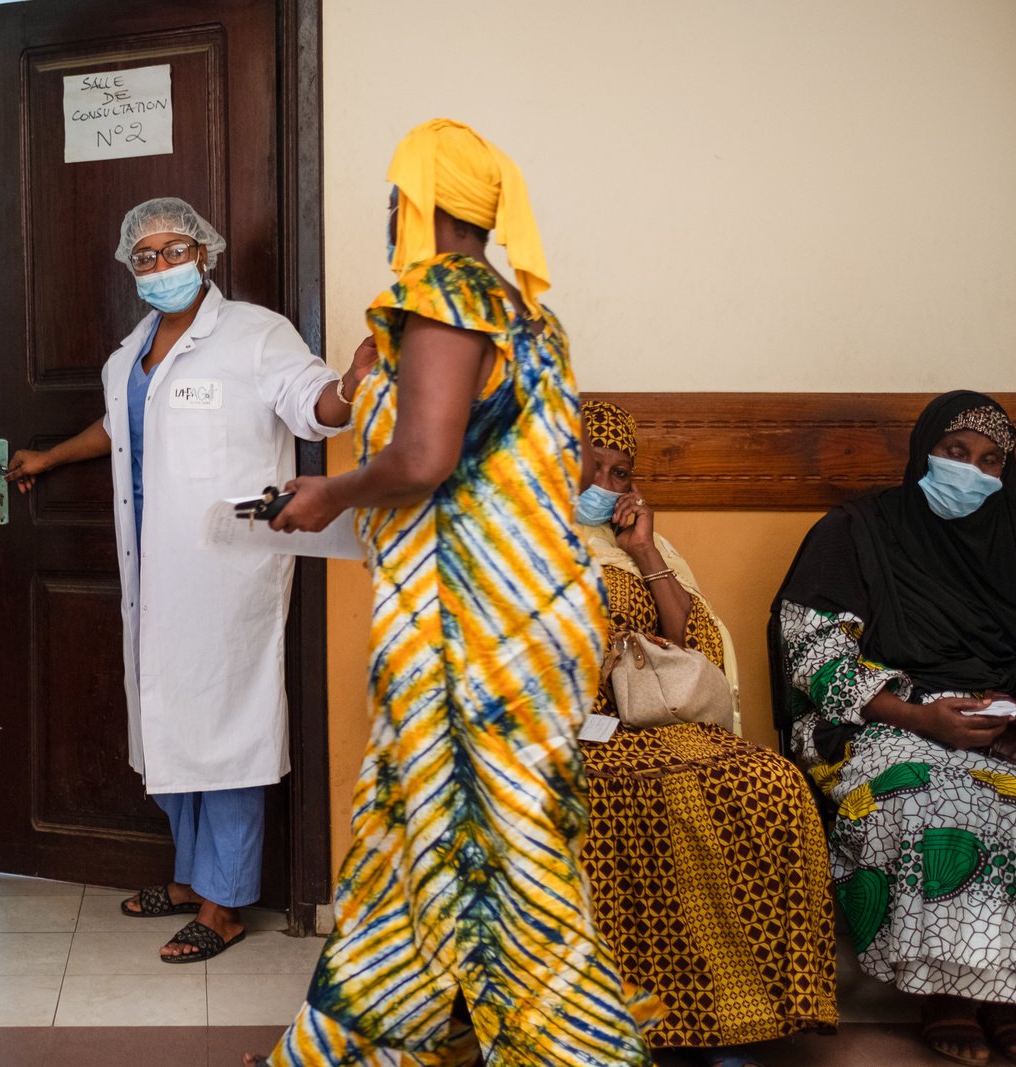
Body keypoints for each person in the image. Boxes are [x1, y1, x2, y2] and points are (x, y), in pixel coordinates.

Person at [249, 120, 651, 1066]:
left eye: (395, 197)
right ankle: (346, 1046)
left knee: (503, 859)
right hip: (520, 613)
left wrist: (326, 492)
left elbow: (423, 458)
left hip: (473, 629)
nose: (388, 214)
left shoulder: (440, 294)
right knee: (404, 828)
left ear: (420, 205)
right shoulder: (526, 314)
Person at [6, 198, 374, 962]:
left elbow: (313, 406)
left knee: (230, 722)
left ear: (204, 252)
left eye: (175, 249)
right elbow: (118, 426)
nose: (160, 265)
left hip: (226, 569)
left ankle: (225, 901)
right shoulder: (129, 352)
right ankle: (183, 875)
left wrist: (353, 381)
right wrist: (48, 457)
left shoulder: (254, 334)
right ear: (130, 268)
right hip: (154, 566)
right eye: (145, 255)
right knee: (166, 715)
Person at [773, 390, 1016, 1067]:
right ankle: (945, 993)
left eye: (990, 462)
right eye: (956, 451)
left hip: (997, 719)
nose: (971, 471)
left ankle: (1011, 987)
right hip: (883, 712)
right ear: (924, 450)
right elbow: (812, 652)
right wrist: (917, 716)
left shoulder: (1006, 541)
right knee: (935, 801)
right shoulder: (856, 531)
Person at [574, 400, 836, 1067]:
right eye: (590, 464)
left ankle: (737, 1019)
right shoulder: (510, 534)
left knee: (768, 782)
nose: (603, 482)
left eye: (619, 472)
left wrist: (644, 551)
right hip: (556, 731)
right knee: (607, 796)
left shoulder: (641, 550)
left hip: (647, 721)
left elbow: (699, 654)